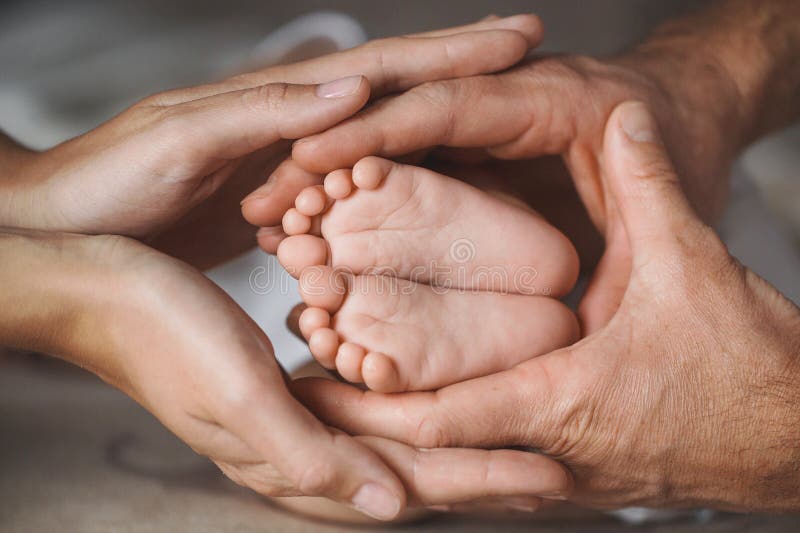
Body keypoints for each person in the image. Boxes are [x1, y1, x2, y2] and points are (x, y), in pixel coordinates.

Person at [0, 16, 575, 520]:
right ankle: (370, 374)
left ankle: (340, 392)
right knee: (303, 385)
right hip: (264, 244)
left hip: (262, 254)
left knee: (296, 388)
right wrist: (67, 283)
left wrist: (24, 199)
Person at [261, 0, 800, 512]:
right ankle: (519, 255)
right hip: (738, 311)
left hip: (723, 348)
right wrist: (704, 85)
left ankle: (439, 400)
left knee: (337, 429)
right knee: (362, 427)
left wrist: (776, 433)